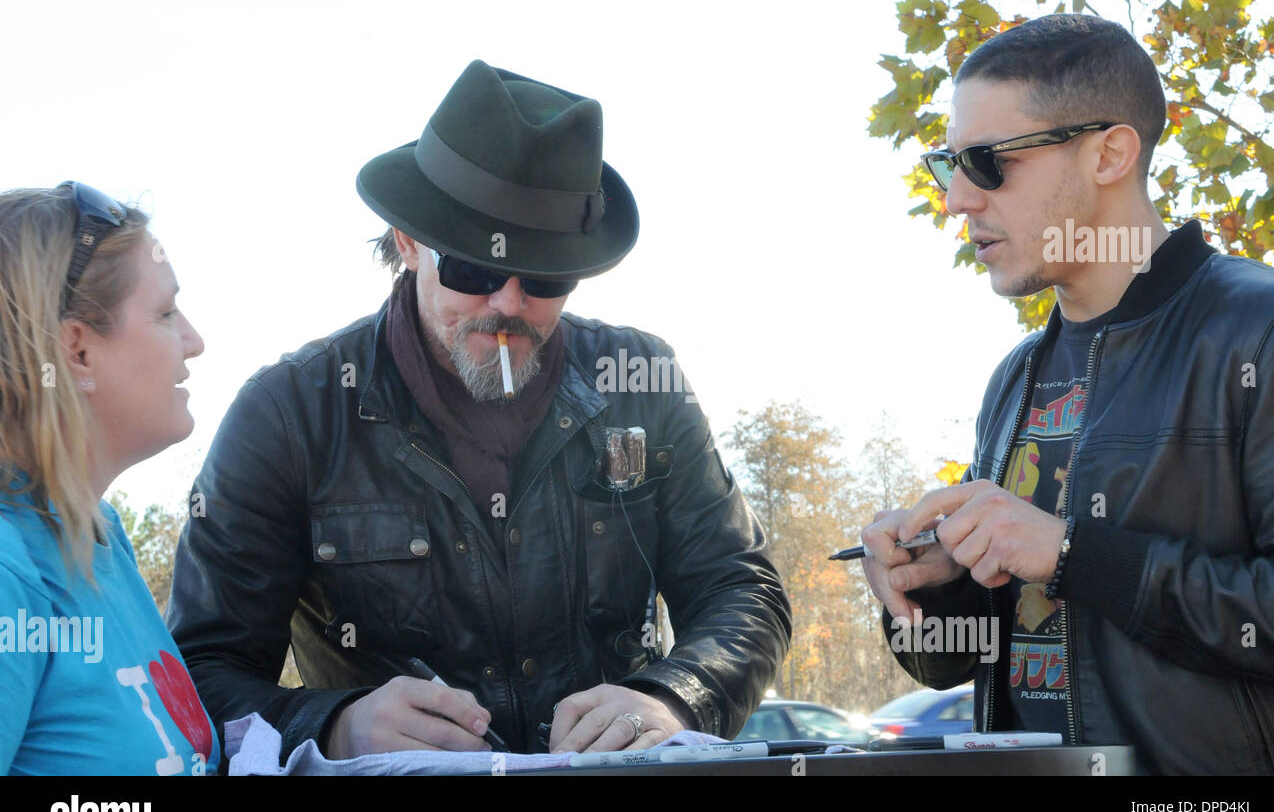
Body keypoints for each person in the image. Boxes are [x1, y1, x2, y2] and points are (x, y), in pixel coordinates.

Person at [167, 60, 792, 762]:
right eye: (473, 269)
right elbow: (195, 675)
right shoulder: (291, 414)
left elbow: (743, 591)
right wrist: (335, 723)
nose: (509, 304)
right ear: (407, 242)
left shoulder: (643, 384)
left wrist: (672, 695)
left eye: (548, 276)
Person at [860, 14, 1274, 774]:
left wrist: (1071, 553)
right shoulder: (1015, 377)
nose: (959, 198)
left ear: (1110, 153)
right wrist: (929, 590)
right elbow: (968, 661)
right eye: (950, 164)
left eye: (989, 161)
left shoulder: (1268, 332)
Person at [0, 182, 215, 775]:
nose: (194, 343)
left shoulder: (99, 532)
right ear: (76, 353)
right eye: (166, 313)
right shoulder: (9, 573)